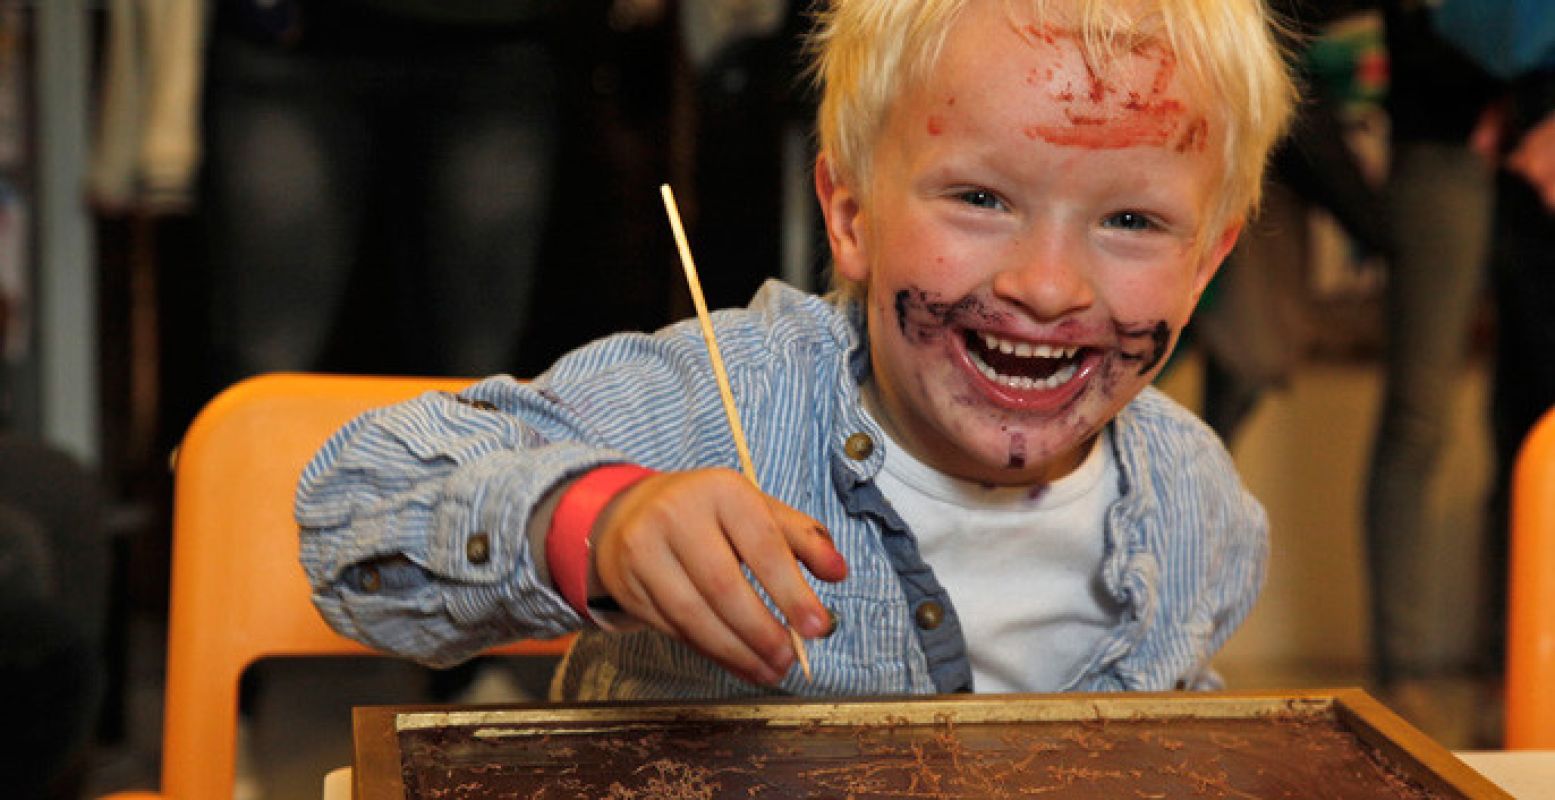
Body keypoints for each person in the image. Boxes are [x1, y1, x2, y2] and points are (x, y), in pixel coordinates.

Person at [295, 0, 1295, 699]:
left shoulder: (1199, 503)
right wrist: (594, 524)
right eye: (980, 198)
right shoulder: (716, 403)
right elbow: (350, 502)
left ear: (1205, 263)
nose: (1046, 284)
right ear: (849, 215)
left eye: (1129, 219)